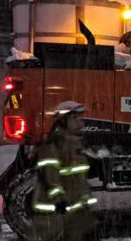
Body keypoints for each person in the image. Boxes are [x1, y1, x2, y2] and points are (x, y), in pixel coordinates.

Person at [30, 100, 97, 241]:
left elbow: (78, 179)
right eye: (75, 118)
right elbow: (51, 177)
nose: (81, 122)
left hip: (73, 213)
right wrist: (59, 201)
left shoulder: (75, 144)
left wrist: (84, 203)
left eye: (81, 118)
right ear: (63, 121)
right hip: (54, 214)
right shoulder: (53, 145)